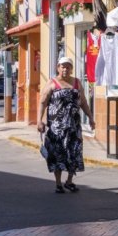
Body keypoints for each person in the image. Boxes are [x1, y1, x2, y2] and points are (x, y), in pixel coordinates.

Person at [37, 56, 95, 193]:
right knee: (58, 154)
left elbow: (84, 103)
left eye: (68, 66)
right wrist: (39, 120)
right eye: (63, 66)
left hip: (74, 127)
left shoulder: (77, 83)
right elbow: (42, 102)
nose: (65, 69)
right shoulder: (52, 83)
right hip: (57, 129)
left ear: (71, 69)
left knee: (74, 153)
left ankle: (69, 181)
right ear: (58, 68)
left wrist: (91, 118)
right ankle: (58, 183)